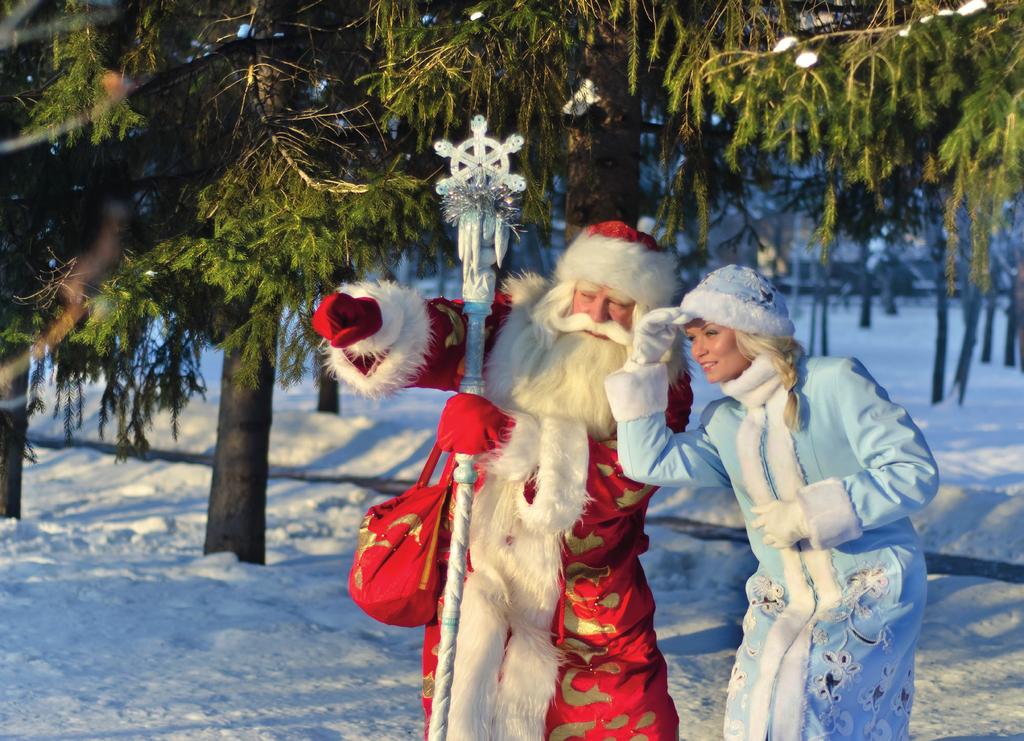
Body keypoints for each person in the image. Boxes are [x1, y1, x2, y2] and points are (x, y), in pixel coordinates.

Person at [312, 221, 693, 740]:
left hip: (590, 606)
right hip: (477, 584)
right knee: (471, 716)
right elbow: (446, 333)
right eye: (588, 294)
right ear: (567, 290)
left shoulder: (662, 378)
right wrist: (373, 324)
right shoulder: (516, 325)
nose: (598, 315)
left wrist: (507, 437)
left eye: (619, 304)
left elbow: (629, 480)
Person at [603, 265, 939, 741]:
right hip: (779, 598)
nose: (698, 351)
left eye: (711, 333)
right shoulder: (725, 420)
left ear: (753, 333)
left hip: (871, 586)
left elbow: (914, 471)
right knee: (752, 718)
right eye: (692, 338)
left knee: (816, 716)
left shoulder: (835, 382)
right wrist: (644, 366)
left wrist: (809, 513)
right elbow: (647, 461)